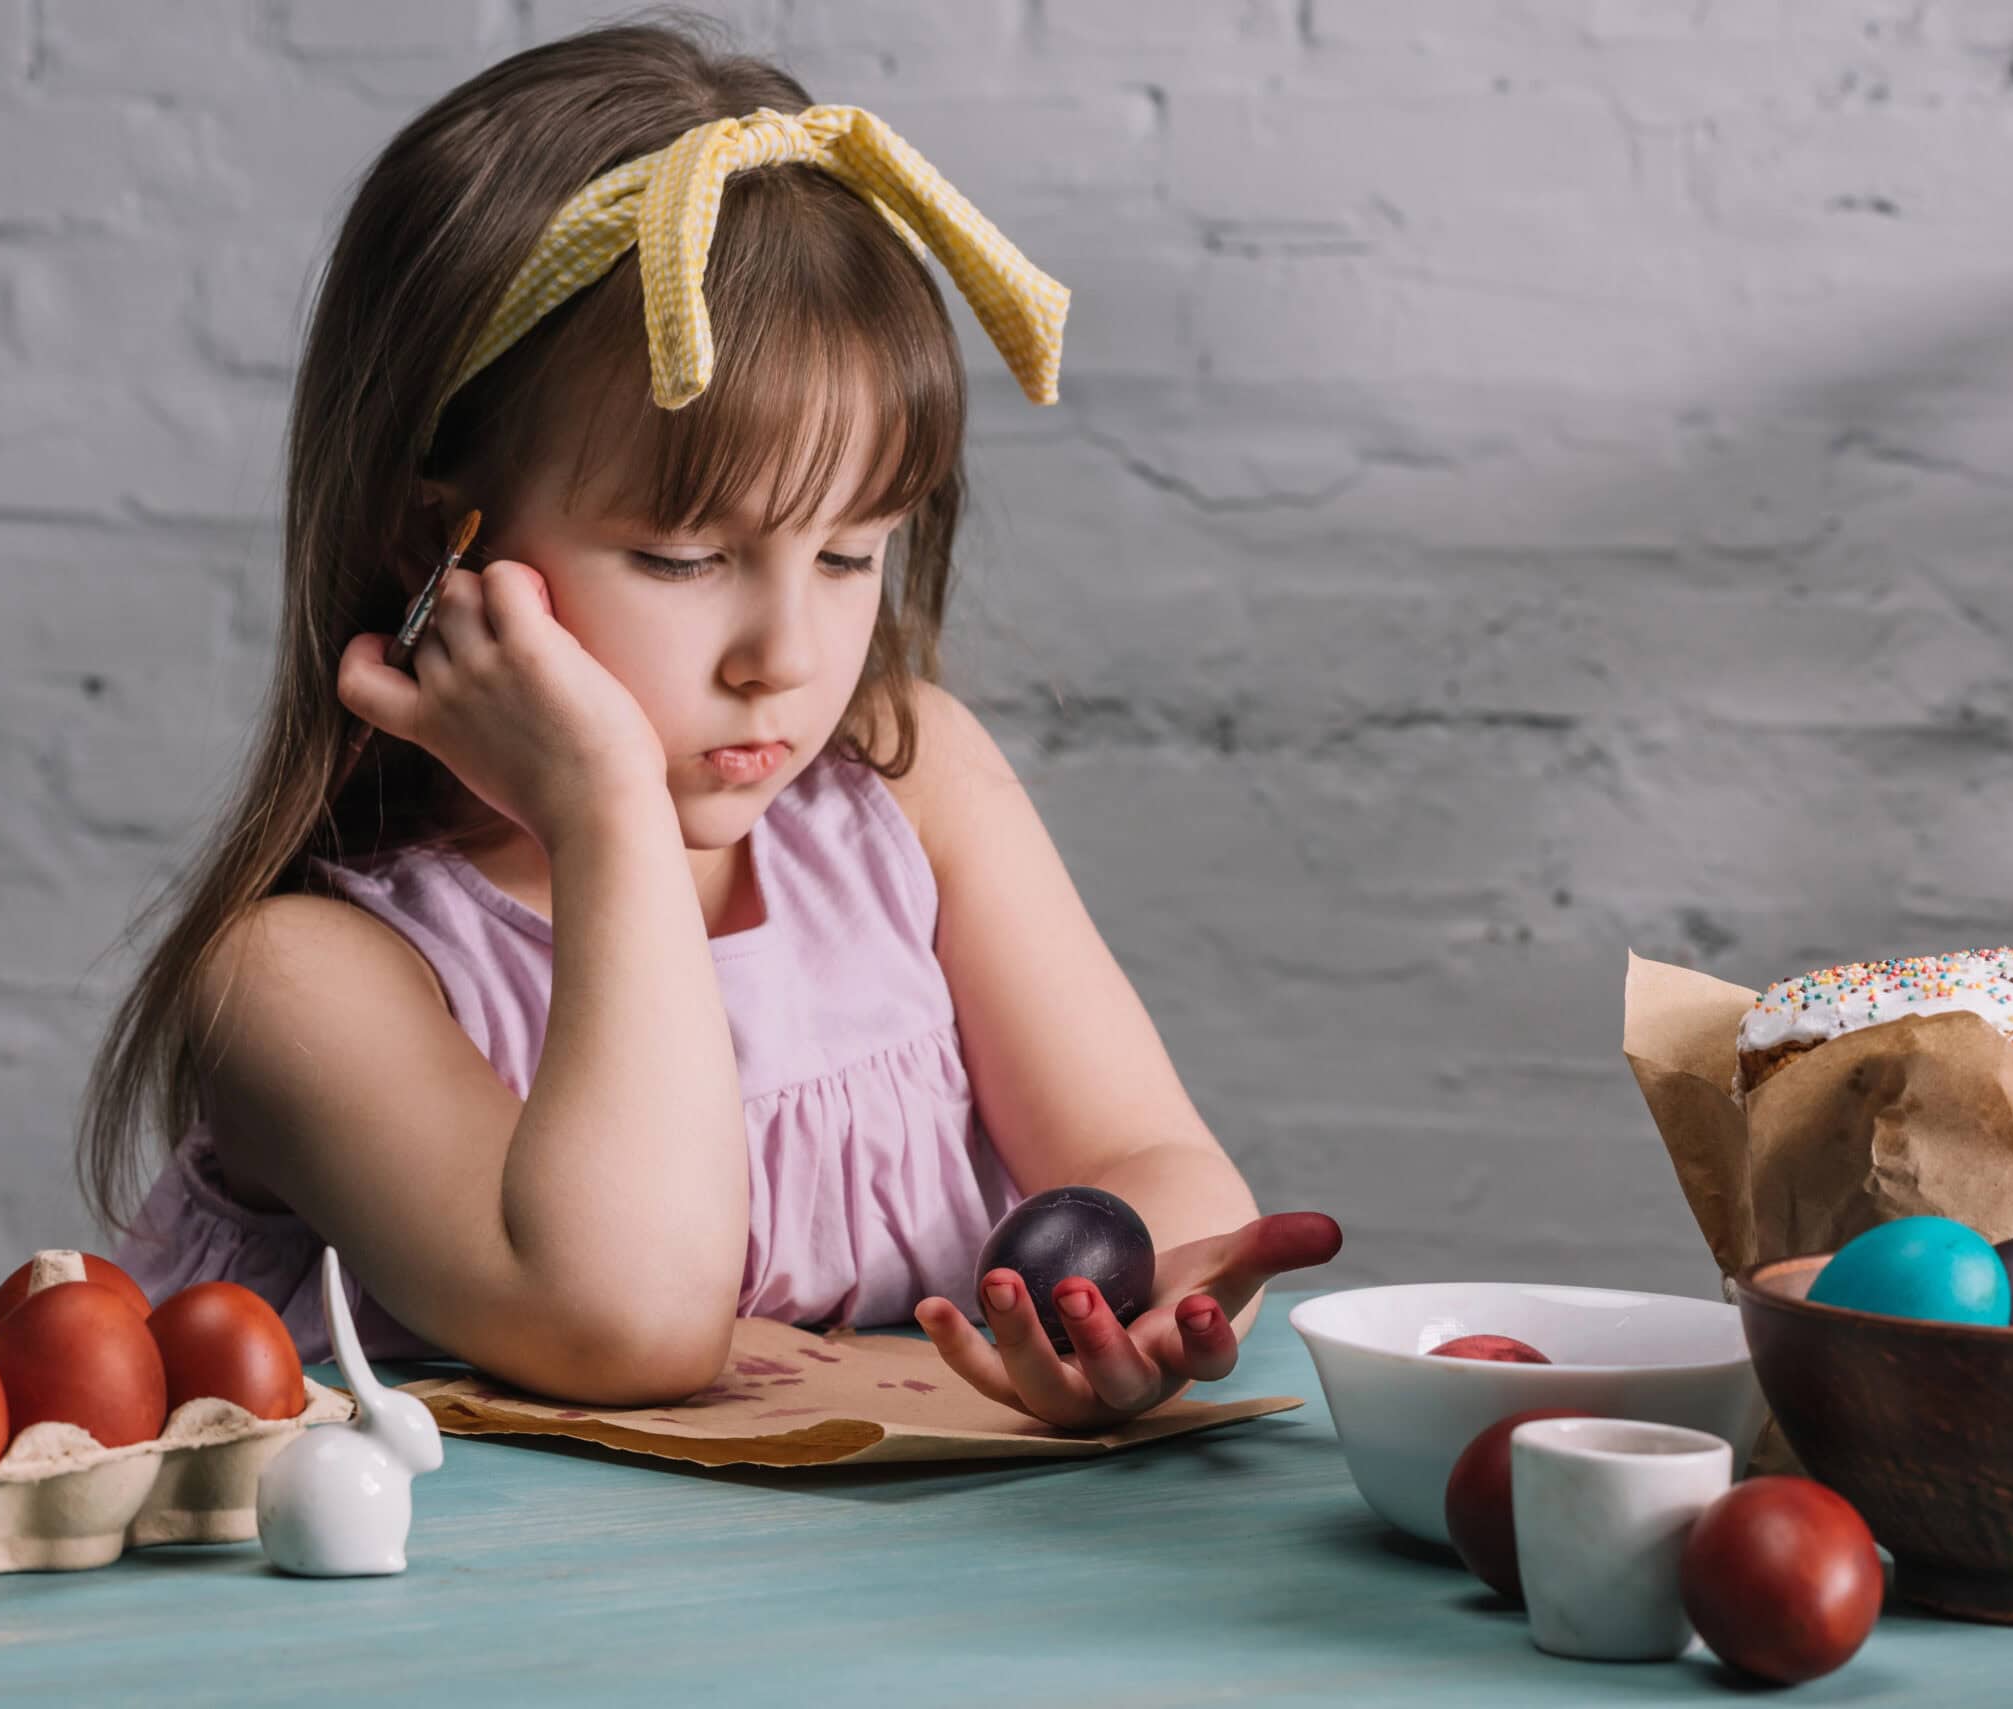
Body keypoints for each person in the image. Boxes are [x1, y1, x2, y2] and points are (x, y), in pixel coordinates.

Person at [81, 19, 1341, 1428]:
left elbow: (1150, 1158)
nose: (786, 659)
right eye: (686, 560)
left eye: (854, 553)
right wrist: (605, 803)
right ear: (429, 539)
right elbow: (629, 1317)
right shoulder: (298, 980)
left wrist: (1135, 1301)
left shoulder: (910, 793)